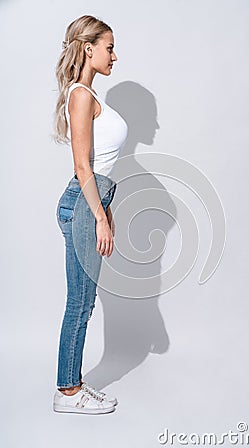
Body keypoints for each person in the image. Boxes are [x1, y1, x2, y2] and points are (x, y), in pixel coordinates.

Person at [52, 15, 128, 414]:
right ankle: (67, 392)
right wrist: (98, 216)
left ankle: (74, 384)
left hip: (91, 202)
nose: (115, 55)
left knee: (84, 300)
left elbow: (102, 164)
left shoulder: (90, 95)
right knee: (80, 302)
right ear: (88, 48)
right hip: (83, 205)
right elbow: (83, 167)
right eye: (109, 47)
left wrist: (107, 209)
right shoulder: (81, 95)